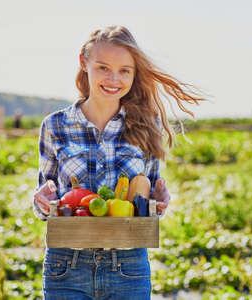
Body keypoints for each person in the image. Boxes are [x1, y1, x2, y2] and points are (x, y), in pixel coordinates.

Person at [32, 25, 204, 300]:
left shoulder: (148, 126)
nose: (114, 78)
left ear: (135, 74)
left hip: (128, 267)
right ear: (83, 63)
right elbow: (46, 206)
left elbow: (146, 205)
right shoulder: (55, 126)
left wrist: (158, 202)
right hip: (66, 267)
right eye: (103, 67)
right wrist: (41, 200)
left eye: (125, 70)